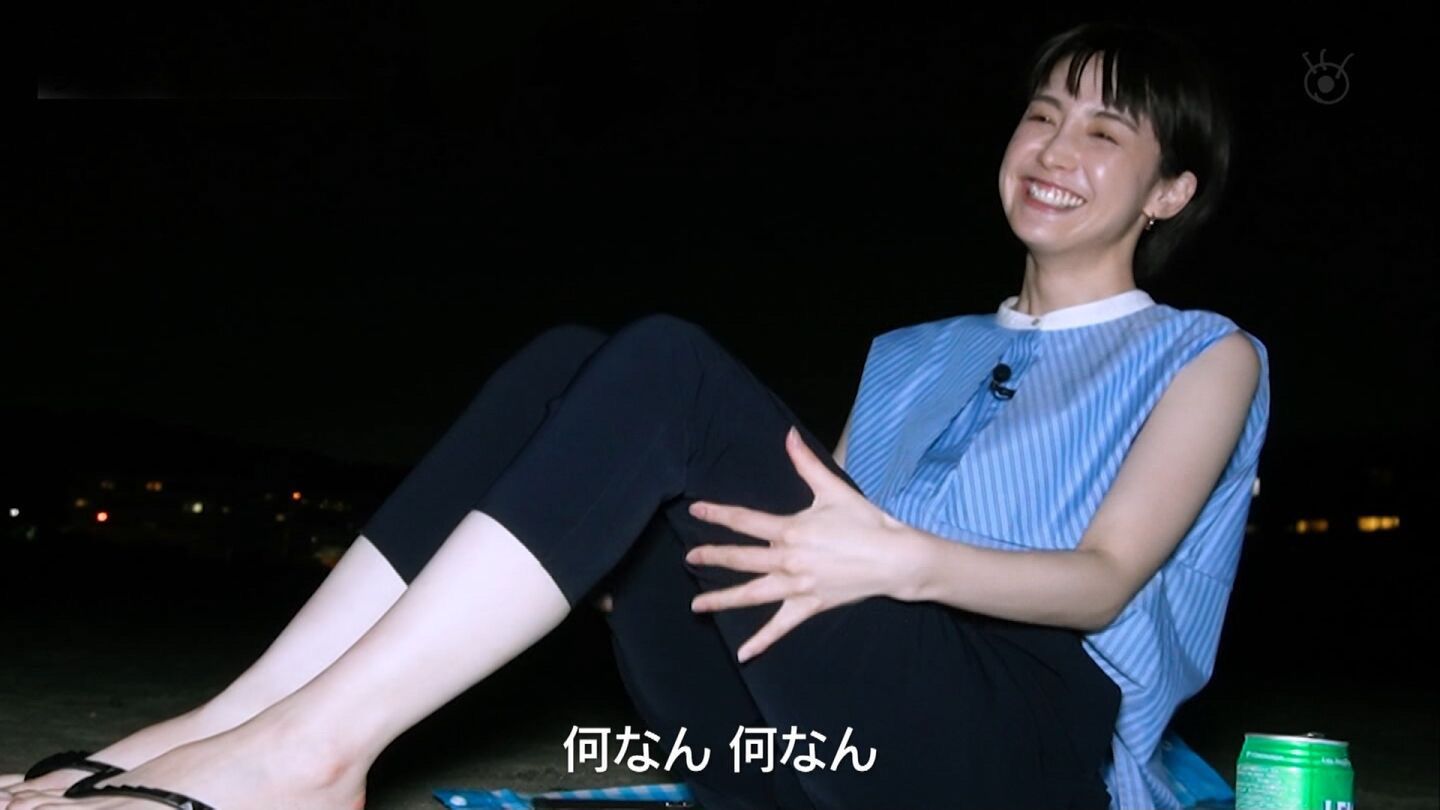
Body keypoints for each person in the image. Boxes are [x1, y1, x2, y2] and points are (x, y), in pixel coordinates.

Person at [2, 20, 1269, 810]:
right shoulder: (911, 354)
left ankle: (309, 759)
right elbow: (801, 553)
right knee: (571, 365)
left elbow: (1105, 582)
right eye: (1042, 113)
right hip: (799, 766)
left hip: (1023, 757)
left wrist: (905, 559)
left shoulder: (1204, 355)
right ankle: (221, 729)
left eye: (1105, 131)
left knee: (669, 368)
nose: (1053, 147)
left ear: (1169, 191)